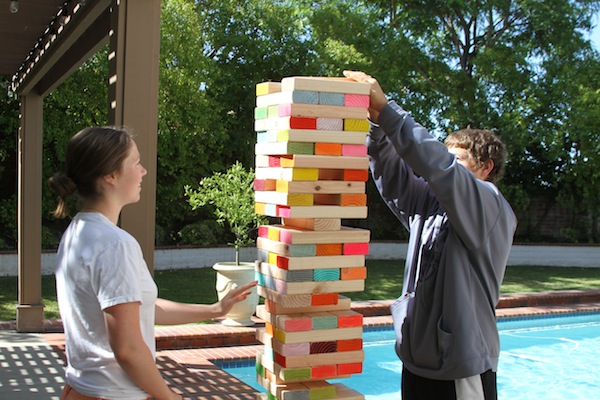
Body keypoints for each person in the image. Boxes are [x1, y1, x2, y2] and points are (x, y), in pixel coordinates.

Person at [344, 70, 517, 400]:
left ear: (486, 168)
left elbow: (439, 167)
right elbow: (393, 176)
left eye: (459, 158)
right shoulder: (430, 203)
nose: (448, 163)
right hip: (417, 360)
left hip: (460, 366)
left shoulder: (489, 204)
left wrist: (390, 109)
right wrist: (378, 125)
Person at [48, 126, 257, 400]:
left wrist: (215, 310)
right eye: (136, 163)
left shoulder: (78, 232)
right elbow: (128, 349)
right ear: (110, 175)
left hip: (81, 391)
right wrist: (169, 397)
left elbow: (142, 308)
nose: (144, 171)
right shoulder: (114, 245)